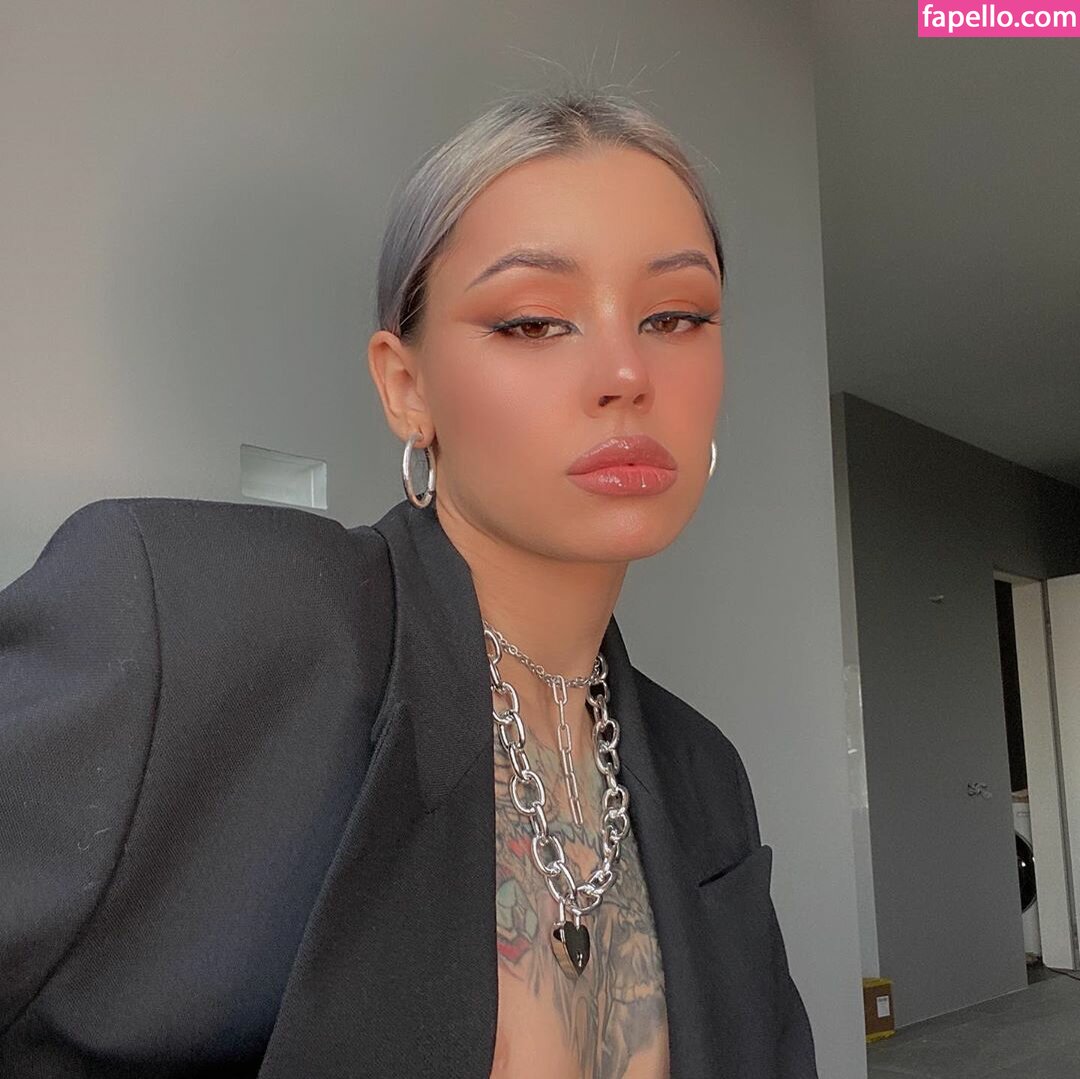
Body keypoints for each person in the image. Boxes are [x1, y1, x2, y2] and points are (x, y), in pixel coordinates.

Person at [0, 86, 817, 1078]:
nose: (626, 372)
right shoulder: (188, 625)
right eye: (533, 322)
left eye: (675, 316)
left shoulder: (706, 775)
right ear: (406, 385)